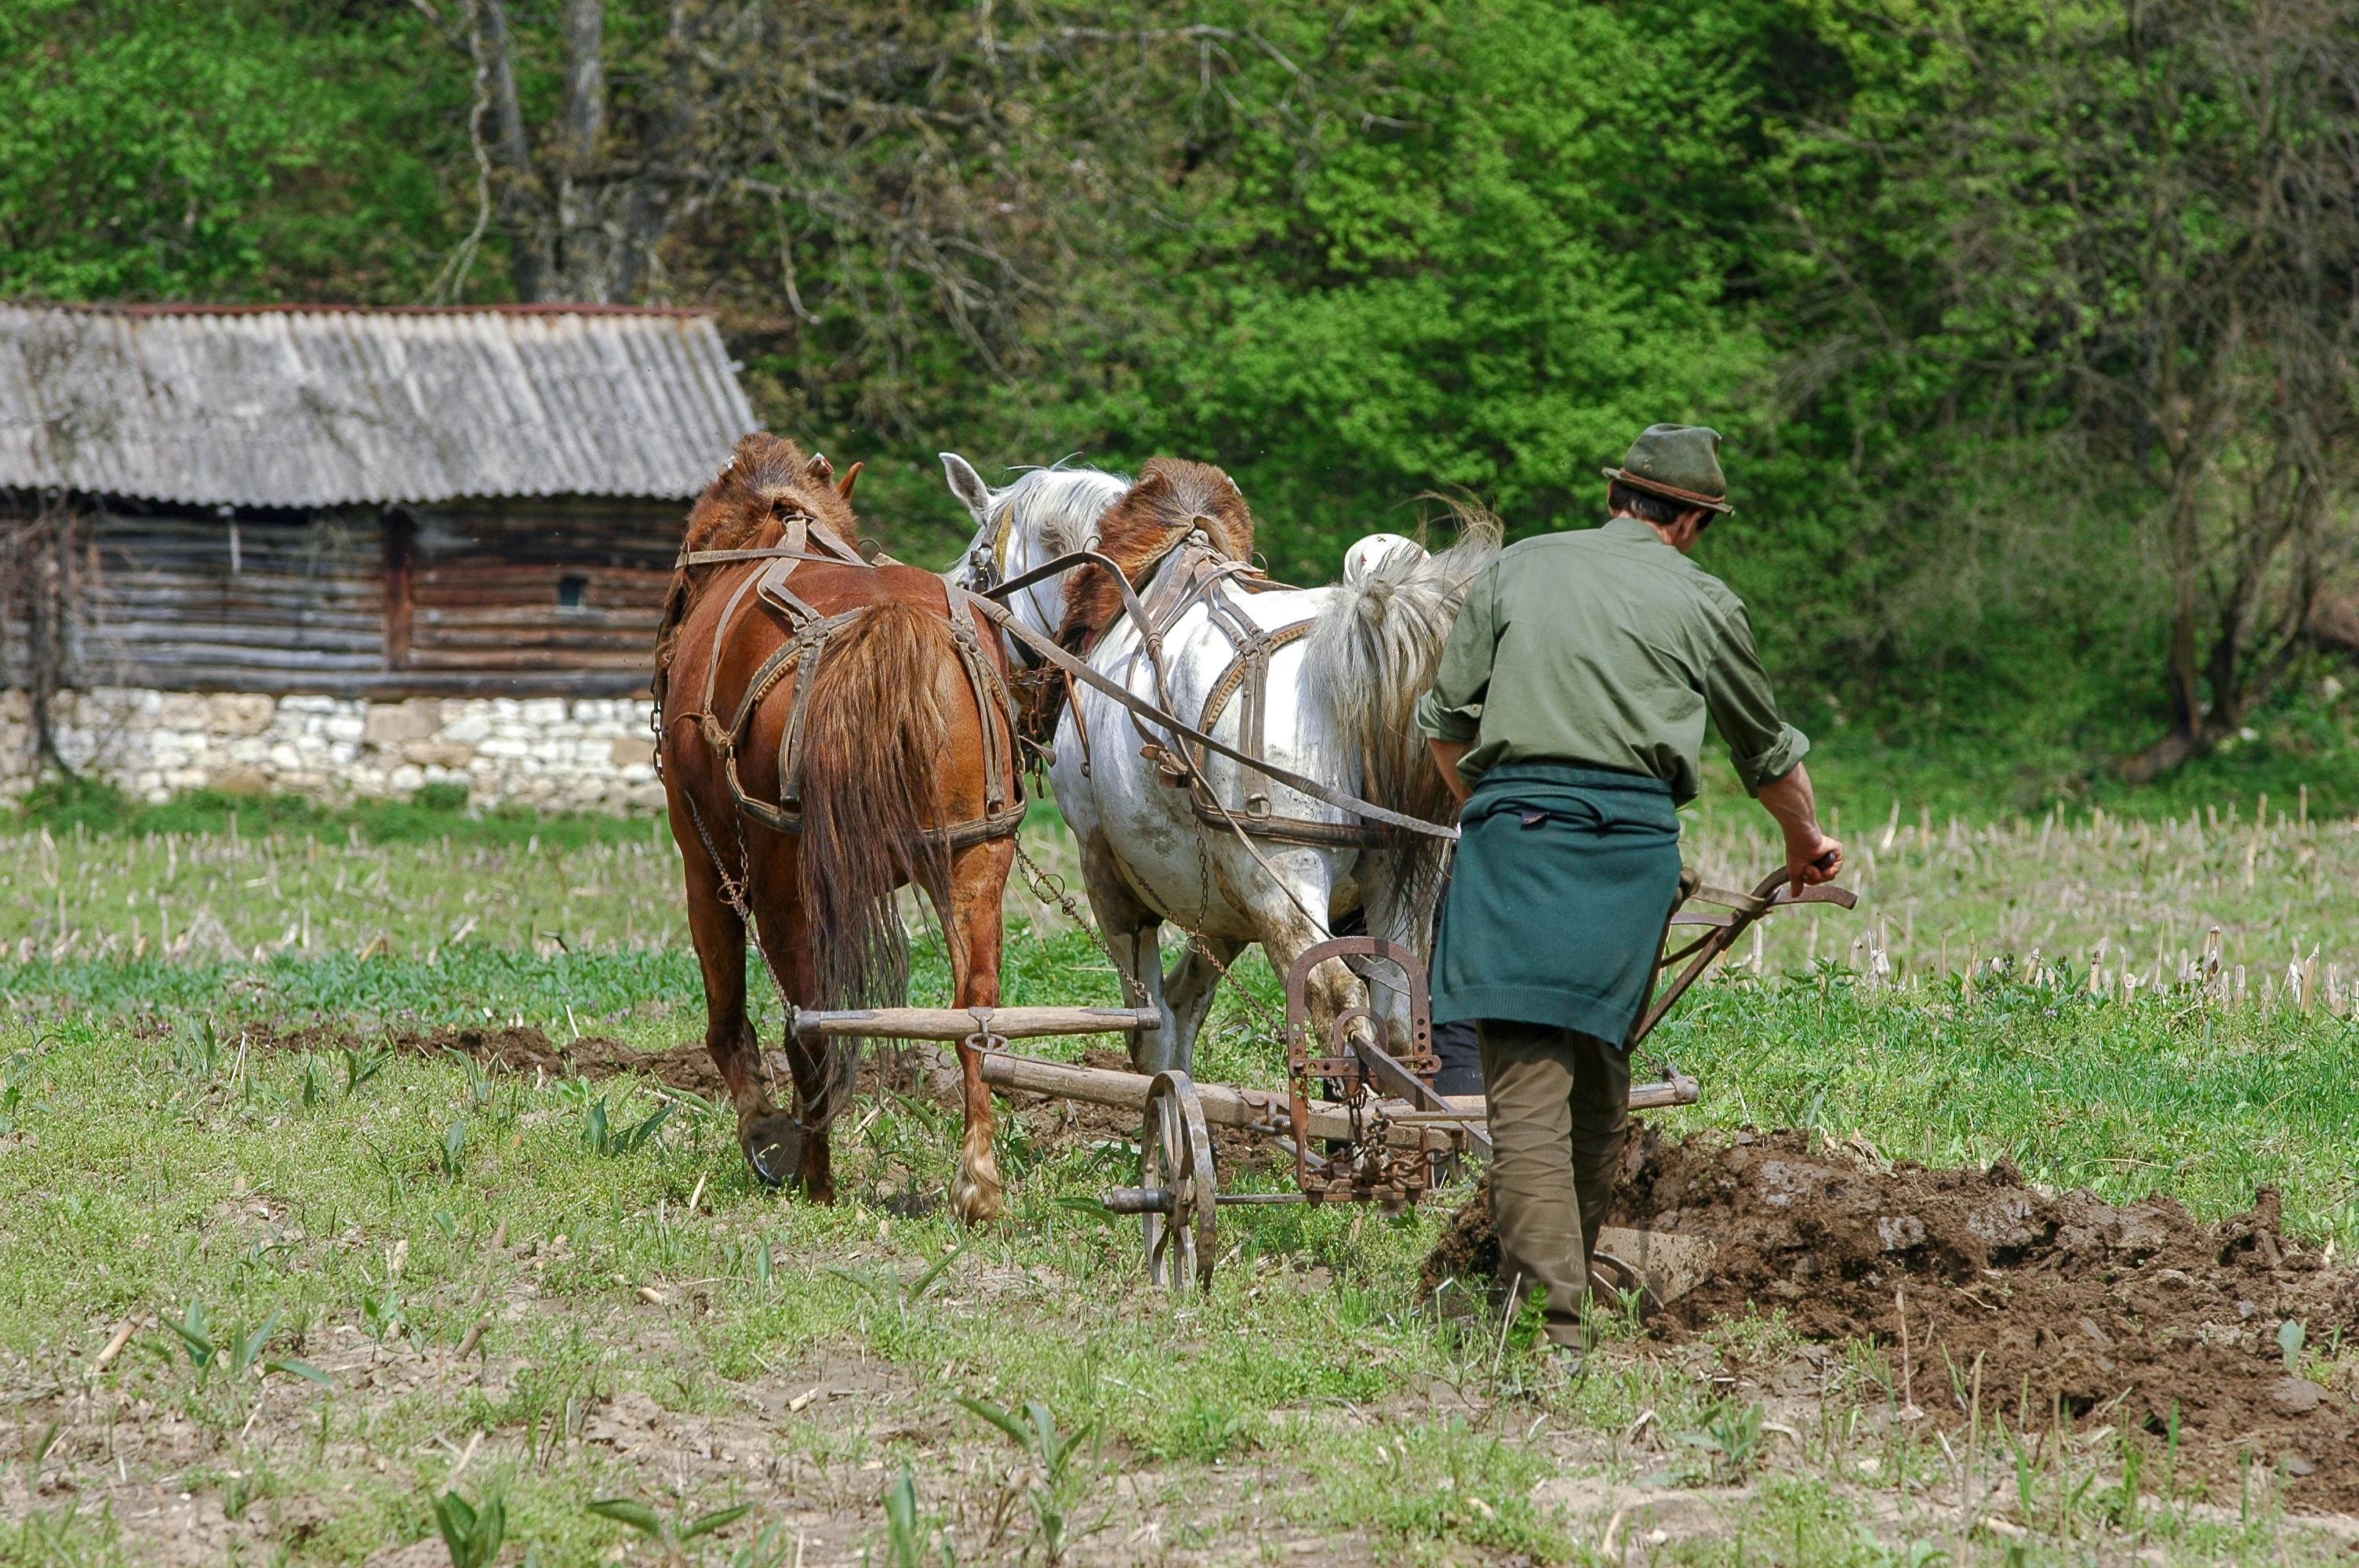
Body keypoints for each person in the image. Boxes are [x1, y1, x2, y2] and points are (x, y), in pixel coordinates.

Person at [1413, 423, 1842, 1359]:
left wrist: (1490, 811)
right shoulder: (1704, 599)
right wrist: (1805, 842)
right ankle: (1548, 1303)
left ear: (1620, 496)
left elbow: (1442, 723)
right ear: (1689, 522)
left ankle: (1545, 1325)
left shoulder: (1519, 567)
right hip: (1630, 852)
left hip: (1515, 835)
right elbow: (1766, 755)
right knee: (1598, 1073)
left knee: (1524, 1083)